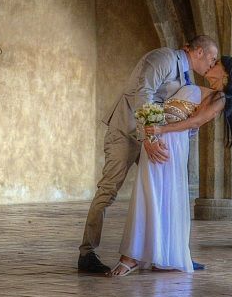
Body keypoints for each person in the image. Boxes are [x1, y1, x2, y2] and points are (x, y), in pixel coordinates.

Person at [77, 36, 220, 274]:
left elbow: (178, 109)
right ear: (198, 52)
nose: (212, 65)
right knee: (108, 191)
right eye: (212, 58)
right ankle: (86, 253)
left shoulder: (187, 76)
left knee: (165, 192)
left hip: (154, 137)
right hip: (126, 132)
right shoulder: (162, 58)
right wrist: (148, 139)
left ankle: (170, 254)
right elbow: (144, 94)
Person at [110, 55, 232, 276]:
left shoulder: (221, 98)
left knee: (155, 192)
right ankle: (154, 253)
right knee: (151, 191)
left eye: (216, 64)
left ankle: (133, 257)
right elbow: (190, 122)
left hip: (169, 140)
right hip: (163, 137)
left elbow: (195, 122)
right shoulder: (208, 91)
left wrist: (160, 130)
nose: (211, 65)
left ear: (226, 74)